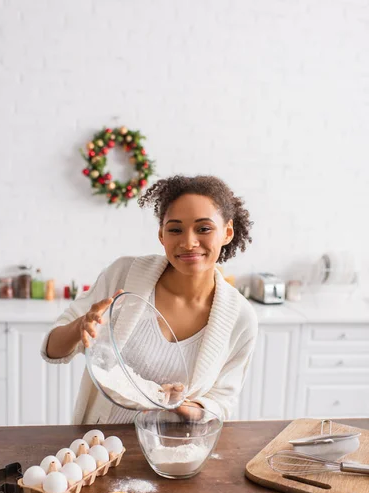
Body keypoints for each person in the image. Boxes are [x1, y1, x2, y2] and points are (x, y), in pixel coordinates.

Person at [41, 175, 258, 424]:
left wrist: (184, 407)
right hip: (98, 443)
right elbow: (52, 350)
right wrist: (81, 326)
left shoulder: (241, 317)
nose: (188, 242)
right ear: (161, 235)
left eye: (204, 229)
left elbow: (222, 401)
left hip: (172, 450)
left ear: (227, 232)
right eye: (175, 229)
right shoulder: (123, 275)